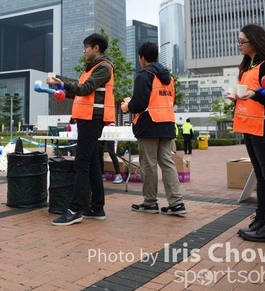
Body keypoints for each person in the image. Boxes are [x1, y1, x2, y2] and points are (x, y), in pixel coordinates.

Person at [227, 23, 265, 243]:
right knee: (261, 176)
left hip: (264, 125)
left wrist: (254, 94)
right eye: (238, 40)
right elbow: (251, 95)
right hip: (249, 125)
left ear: (254, 41)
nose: (239, 44)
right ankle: (261, 220)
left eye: (242, 41)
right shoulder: (247, 64)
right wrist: (237, 98)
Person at [47, 33, 114, 226]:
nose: (84, 51)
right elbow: (82, 93)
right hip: (87, 119)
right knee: (92, 163)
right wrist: (62, 92)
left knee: (82, 162)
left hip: (92, 120)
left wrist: (62, 83)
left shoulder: (104, 67)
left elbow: (86, 89)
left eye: (86, 47)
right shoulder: (91, 68)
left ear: (96, 48)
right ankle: (97, 207)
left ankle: (75, 209)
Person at [121, 41, 186, 216]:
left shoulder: (144, 75)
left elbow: (139, 103)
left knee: (148, 165)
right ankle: (176, 203)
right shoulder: (168, 78)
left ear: (142, 58)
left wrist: (127, 105)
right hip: (166, 124)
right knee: (167, 163)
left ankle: (150, 203)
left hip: (149, 124)